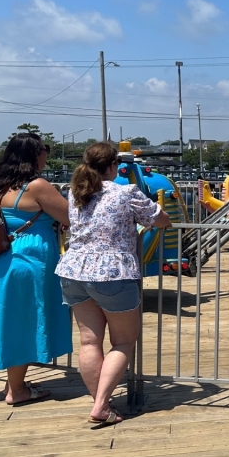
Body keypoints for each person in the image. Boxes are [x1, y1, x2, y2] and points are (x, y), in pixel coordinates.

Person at [55, 143, 171, 425]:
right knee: (123, 341)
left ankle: (101, 402)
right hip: (113, 273)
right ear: (113, 167)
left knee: (89, 341)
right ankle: (101, 404)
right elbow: (161, 220)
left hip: (74, 270)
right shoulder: (126, 193)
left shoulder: (75, 193)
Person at [0, 133, 72, 405]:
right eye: (44, 149)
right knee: (23, 322)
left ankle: (14, 383)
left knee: (6, 318)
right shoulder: (37, 186)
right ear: (35, 154)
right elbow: (70, 216)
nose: (46, 154)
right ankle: (17, 390)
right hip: (27, 260)